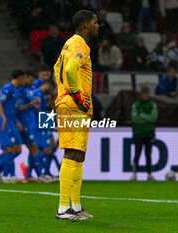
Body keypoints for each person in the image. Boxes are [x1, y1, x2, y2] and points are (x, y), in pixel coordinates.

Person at [53, 10, 98, 220]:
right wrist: (76, 94)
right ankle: (63, 208)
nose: (98, 26)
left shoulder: (67, 45)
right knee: (72, 154)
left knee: (78, 155)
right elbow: (70, 70)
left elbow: (57, 69)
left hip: (69, 105)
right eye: (95, 22)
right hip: (74, 106)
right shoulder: (81, 44)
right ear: (86, 26)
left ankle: (76, 206)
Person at [131, 85, 158, 181]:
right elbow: (134, 118)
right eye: (143, 93)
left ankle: (149, 174)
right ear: (141, 94)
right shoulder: (136, 105)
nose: (145, 95)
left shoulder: (152, 105)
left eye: (146, 93)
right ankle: (134, 174)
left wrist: (141, 115)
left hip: (149, 133)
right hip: (138, 133)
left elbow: (153, 118)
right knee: (137, 154)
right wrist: (147, 118)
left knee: (148, 154)